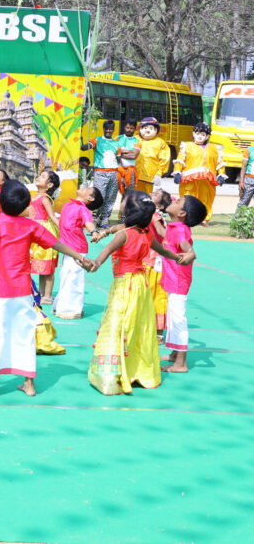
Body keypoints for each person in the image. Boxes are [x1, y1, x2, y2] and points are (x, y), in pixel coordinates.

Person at [0, 180, 94, 398]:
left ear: (0, 202)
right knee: (25, 334)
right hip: (23, 291)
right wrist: (79, 257)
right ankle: (29, 384)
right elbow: (55, 244)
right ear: (26, 206)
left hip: (0, 291)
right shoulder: (30, 226)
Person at [86, 193, 188, 395]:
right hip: (141, 286)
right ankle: (138, 369)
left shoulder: (124, 234)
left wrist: (94, 264)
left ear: (129, 212)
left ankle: (114, 373)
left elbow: (104, 255)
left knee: (119, 325)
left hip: (125, 287)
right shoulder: (145, 233)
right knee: (138, 326)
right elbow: (164, 251)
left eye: (124, 203)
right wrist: (178, 257)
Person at [161, 195, 205, 373]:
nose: (173, 200)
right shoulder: (175, 226)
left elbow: (187, 247)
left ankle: (181, 363)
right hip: (173, 279)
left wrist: (191, 254)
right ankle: (174, 354)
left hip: (178, 280)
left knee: (178, 319)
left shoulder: (180, 230)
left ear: (182, 213)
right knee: (173, 318)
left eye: (178, 202)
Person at [51, 186, 103, 320]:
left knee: (73, 277)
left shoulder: (83, 209)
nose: (83, 186)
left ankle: (71, 310)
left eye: (88, 189)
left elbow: (89, 223)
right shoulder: (69, 204)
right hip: (66, 246)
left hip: (77, 248)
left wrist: (94, 232)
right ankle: (61, 306)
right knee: (65, 276)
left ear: (90, 198)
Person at [172, 123, 224, 223]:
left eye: (203, 134)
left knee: (206, 199)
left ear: (207, 136)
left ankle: (204, 218)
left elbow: (220, 162)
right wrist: (177, 172)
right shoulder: (187, 146)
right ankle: (188, 218)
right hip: (189, 179)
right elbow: (180, 160)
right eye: (198, 133)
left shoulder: (214, 149)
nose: (200, 136)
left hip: (207, 179)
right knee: (188, 198)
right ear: (193, 134)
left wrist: (221, 175)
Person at [29, 170, 60, 304]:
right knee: (41, 265)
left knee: (48, 266)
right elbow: (31, 216)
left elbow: (52, 216)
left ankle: (47, 295)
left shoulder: (45, 198)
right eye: (39, 175)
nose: (39, 178)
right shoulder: (33, 197)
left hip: (45, 232)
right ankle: (41, 294)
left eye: (43, 177)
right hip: (35, 232)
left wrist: (64, 230)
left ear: (49, 185)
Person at [82, 120, 121, 226]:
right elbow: (85, 147)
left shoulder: (117, 143)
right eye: (106, 128)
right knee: (99, 196)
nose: (108, 131)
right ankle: (95, 217)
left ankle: (105, 218)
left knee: (111, 197)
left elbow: (119, 159)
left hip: (114, 172)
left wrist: (121, 173)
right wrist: (83, 143)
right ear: (103, 129)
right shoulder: (97, 140)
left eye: (110, 129)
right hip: (100, 172)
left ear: (113, 130)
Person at [135, 117, 171, 195]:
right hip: (133, 176)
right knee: (132, 198)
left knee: (147, 199)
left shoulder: (161, 143)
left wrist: (158, 173)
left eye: (151, 128)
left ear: (156, 130)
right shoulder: (133, 140)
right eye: (145, 128)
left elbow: (164, 160)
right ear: (140, 129)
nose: (148, 130)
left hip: (149, 178)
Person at [117, 119, 140, 195]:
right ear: (124, 127)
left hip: (130, 170)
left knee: (129, 194)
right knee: (112, 193)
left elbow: (134, 156)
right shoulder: (117, 138)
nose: (129, 130)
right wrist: (129, 151)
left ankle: (125, 207)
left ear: (135, 129)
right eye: (127, 127)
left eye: (131, 128)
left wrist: (120, 153)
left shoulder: (137, 141)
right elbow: (113, 153)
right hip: (117, 169)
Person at [236, 144, 254, 213]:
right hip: (249, 179)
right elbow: (244, 166)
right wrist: (241, 181)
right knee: (243, 202)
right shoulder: (249, 150)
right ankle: (238, 221)